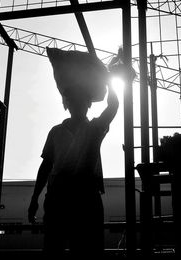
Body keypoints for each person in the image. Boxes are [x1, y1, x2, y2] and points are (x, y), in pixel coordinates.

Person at [27, 51, 122, 259]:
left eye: (81, 100)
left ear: (88, 104)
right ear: (67, 104)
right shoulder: (56, 132)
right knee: (54, 249)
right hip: (59, 195)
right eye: (73, 100)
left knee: (87, 250)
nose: (77, 104)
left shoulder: (96, 127)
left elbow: (113, 105)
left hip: (86, 194)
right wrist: (34, 197)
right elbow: (46, 166)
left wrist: (109, 80)